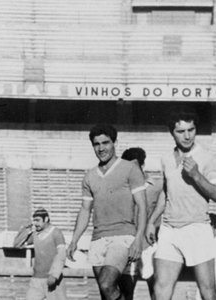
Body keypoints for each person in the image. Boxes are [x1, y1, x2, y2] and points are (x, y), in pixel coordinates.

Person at [146, 111, 216, 300]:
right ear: (172, 133)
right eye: (181, 131)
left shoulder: (207, 158)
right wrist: (151, 221)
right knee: (160, 288)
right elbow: (167, 193)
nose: (187, 136)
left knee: (208, 292)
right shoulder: (166, 159)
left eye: (191, 130)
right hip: (169, 229)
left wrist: (197, 175)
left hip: (197, 228)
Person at [66, 124, 148, 300]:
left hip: (123, 237)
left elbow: (142, 206)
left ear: (114, 142)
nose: (101, 148)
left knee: (106, 283)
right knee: (106, 294)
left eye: (106, 142)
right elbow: (85, 210)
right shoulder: (89, 176)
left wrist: (138, 239)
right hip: (97, 239)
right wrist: (74, 240)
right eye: (96, 144)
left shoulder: (129, 168)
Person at [118, 147, 161, 300]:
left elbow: (162, 211)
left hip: (150, 245)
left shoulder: (156, 187)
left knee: (157, 291)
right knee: (126, 291)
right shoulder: (121, 188)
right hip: (128, 244)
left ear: (142, 166)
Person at [13, 208, 68, 300]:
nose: (35, 223)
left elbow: (61, 254)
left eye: (37, 220)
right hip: (36, 280)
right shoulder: (35, 234)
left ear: (46, 219)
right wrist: (26, 229)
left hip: (52, 280)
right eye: (34, 221)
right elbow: (17, 244)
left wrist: (54, 275)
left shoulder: (56, 233)